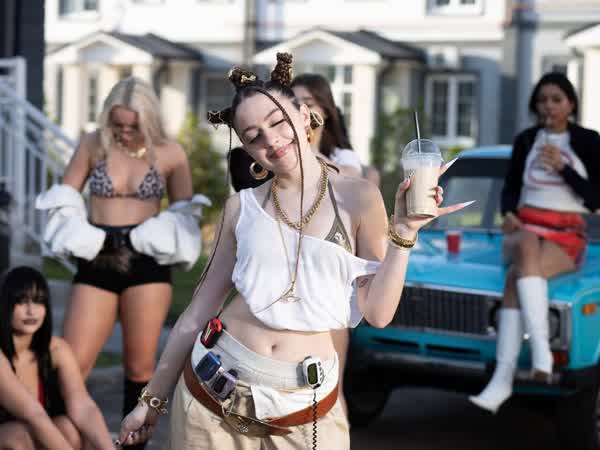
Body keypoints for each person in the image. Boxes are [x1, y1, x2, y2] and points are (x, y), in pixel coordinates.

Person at [118, 52, 469, 449]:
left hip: (305, 409)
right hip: (212, 397)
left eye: (277, 121)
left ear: (304, 116)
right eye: (253, 136)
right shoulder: (241, 208)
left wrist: (403, 234)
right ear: (247, 150)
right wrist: (150, 402)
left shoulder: (358, 197)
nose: (270, 140)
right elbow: (196, 314)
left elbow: (378, 313)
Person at [35, 77, 208, 449]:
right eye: (118, 125)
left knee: (141, 368)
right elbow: (65, 198)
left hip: (147, 264)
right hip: (99, 258)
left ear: (149, 119)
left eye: (134, 126)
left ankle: (132, 446)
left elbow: (184, 215)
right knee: (73, 362)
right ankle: (63, 440)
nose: (125, 133)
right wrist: (75, 236)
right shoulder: (92, 144)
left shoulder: (171, 153)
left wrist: (163, 237)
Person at [469, 72, 600, 413]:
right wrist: (508, 213)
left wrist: (563, 169)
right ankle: (542, 350)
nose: (548, 106)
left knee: (516, 278)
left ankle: (503, 379)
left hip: (566, 233)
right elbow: (510, 188)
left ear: (570, 104)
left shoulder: (588, 141)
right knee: (526, 241)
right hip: (524, 228)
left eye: (556, 99)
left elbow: (595, 199)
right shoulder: (526, 140)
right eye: (542, 100)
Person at [0, 266, 114, 450]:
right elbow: (33, 414)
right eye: (21, 301)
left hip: (34, 428)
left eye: (38, 301)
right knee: (18, 438)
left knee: (68, 429)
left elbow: (83, 406)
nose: (31, 311)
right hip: (10, 434)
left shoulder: (57, 348)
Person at [290, 73, 362, 178]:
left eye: (309, 105)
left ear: (326, 111)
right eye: (293, 104)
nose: (300, 110)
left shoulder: (341, 156)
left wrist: (310, 149)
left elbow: (352, 178)